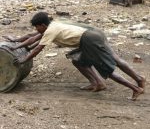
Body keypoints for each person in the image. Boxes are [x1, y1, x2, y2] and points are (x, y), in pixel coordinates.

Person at [8, 12, 145, 100]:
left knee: (107, 69)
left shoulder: (50, 30)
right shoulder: (53, 25)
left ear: (42, 25)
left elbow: (38, 47)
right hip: (90, 36)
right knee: (78, 61)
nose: (36, 30)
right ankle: (98, 83)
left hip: (89, 40)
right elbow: (32, 38)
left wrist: (24, 59)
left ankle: (136, 88)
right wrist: (15, 44)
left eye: (37, 27)